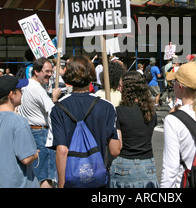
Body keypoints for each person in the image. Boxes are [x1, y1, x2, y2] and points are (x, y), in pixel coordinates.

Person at [47, 55, 120, 188]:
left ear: (68, 76)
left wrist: (62, 184)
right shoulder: (107, 106)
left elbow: (62, 150)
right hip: (99, 176)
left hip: (70, 177)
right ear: (91, 75)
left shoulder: (58, 108)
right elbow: (115, 150)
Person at [0, 75, 39, 188]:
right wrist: (35, 154)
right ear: (11, 94)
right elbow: (27, 158)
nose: (22, 94)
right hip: (16, 183)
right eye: (20, 91)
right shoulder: (19, 121)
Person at [109, 71, 159, 188]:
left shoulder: (118, 112)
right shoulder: (151, 113)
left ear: (128, 89)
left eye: (121, 86)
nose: (118, 89)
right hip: (148, 164)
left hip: (124, 163)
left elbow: (116, 148)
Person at [18, 57, 61, 188]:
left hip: (30, 131)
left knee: (34, 173)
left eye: (51, 72)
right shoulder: (36, 88)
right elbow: (53, 111)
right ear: (36, 71)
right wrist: (54, 98)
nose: (50, 74)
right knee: (46, 176)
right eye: (47, 71)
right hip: (41, 133)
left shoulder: (25, 84)